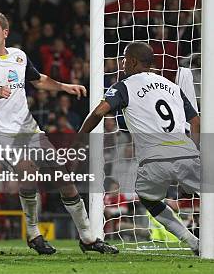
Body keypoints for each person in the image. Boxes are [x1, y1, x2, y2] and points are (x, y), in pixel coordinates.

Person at [0, 12, 117, 255]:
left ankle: (88, 238)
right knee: (26, 170)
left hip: (30, 131)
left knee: (64, 180)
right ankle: (33, 233)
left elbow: (38, 80)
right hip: (1, 135)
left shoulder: (19, 57)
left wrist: (64, 87)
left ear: (5, 32)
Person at [79, 42, 201, 255]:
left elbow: (99, 112)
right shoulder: (172, 86)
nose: (122, 64)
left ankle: (192, 242)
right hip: (187, 153)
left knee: (149, 199)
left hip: (154, 159)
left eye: (124, 60)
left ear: (133, 61)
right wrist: (197, 151)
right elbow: (196, 121)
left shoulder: (124, 85)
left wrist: (79, 139)